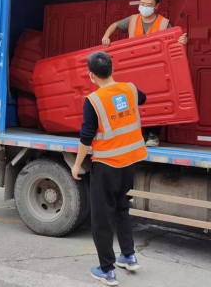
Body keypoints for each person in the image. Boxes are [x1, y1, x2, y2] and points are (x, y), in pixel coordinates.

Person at [72, 51, 147, 286]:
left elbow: (86, 137)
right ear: (112, 70)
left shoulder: (93, 101)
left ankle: (106, 270)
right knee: (121, 207)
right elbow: (142, 99)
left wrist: (77, 165)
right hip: (130, 162)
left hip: (107, 165)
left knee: (102, 217)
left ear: (91, 75)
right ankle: (128, 256)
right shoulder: (130, 89)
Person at [101, 0, 187, 148]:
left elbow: (174, 43)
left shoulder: (164, 23)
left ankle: (153, 134)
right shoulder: (133, 20)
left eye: (148, 5)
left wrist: (181, 42)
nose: (144, 7)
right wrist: (106, 36)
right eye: (142, 3)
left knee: (155, 100)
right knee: (133, 100)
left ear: (157, 6)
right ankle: (138, 133)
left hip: (156, 70)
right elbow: (114, 25)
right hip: (134, 68)